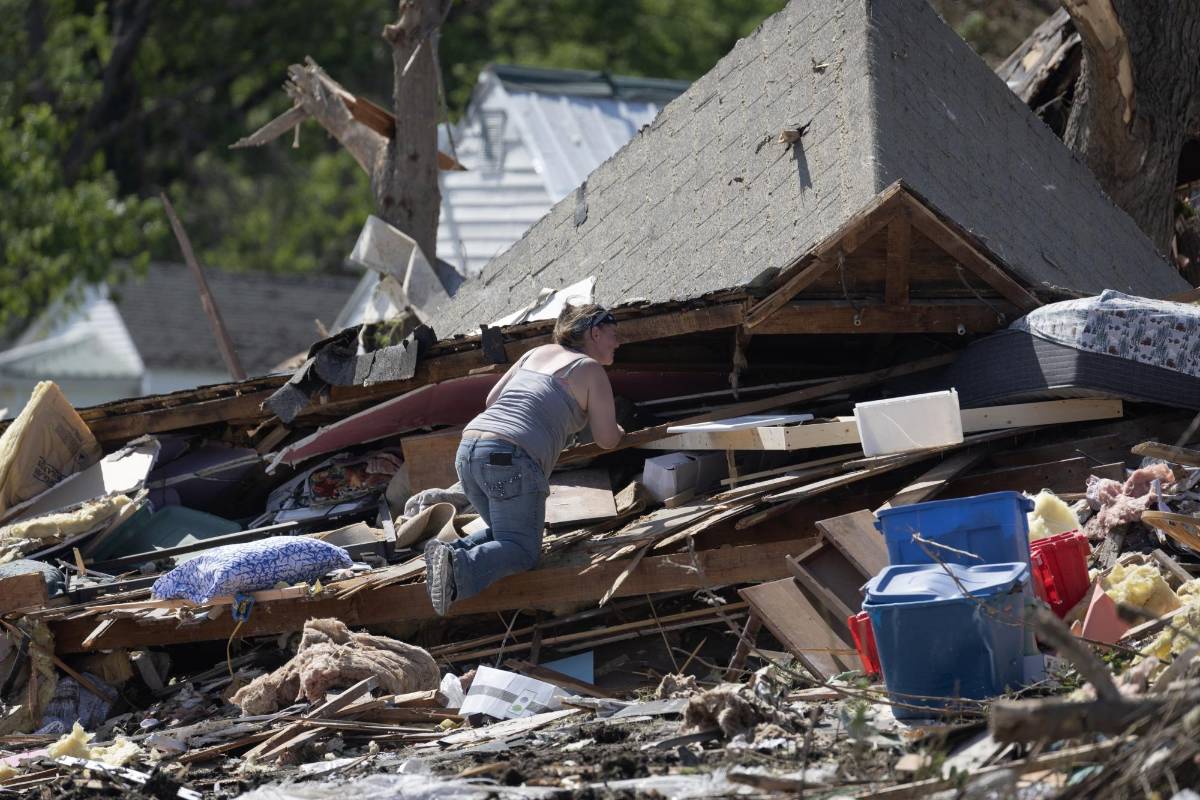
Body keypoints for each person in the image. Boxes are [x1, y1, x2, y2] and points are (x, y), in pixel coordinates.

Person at [423, 304, 625, 615]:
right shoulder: (589, 369)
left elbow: (492, 400)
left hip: (469, 450)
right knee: (522, 550)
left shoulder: (536, 352)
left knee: (509, 535)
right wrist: (618, 429)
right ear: (594, 333)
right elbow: (607, 439)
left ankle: (448, 554)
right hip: (510, 458)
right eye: (614, 334)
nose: (618, 342)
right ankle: (457, 566)